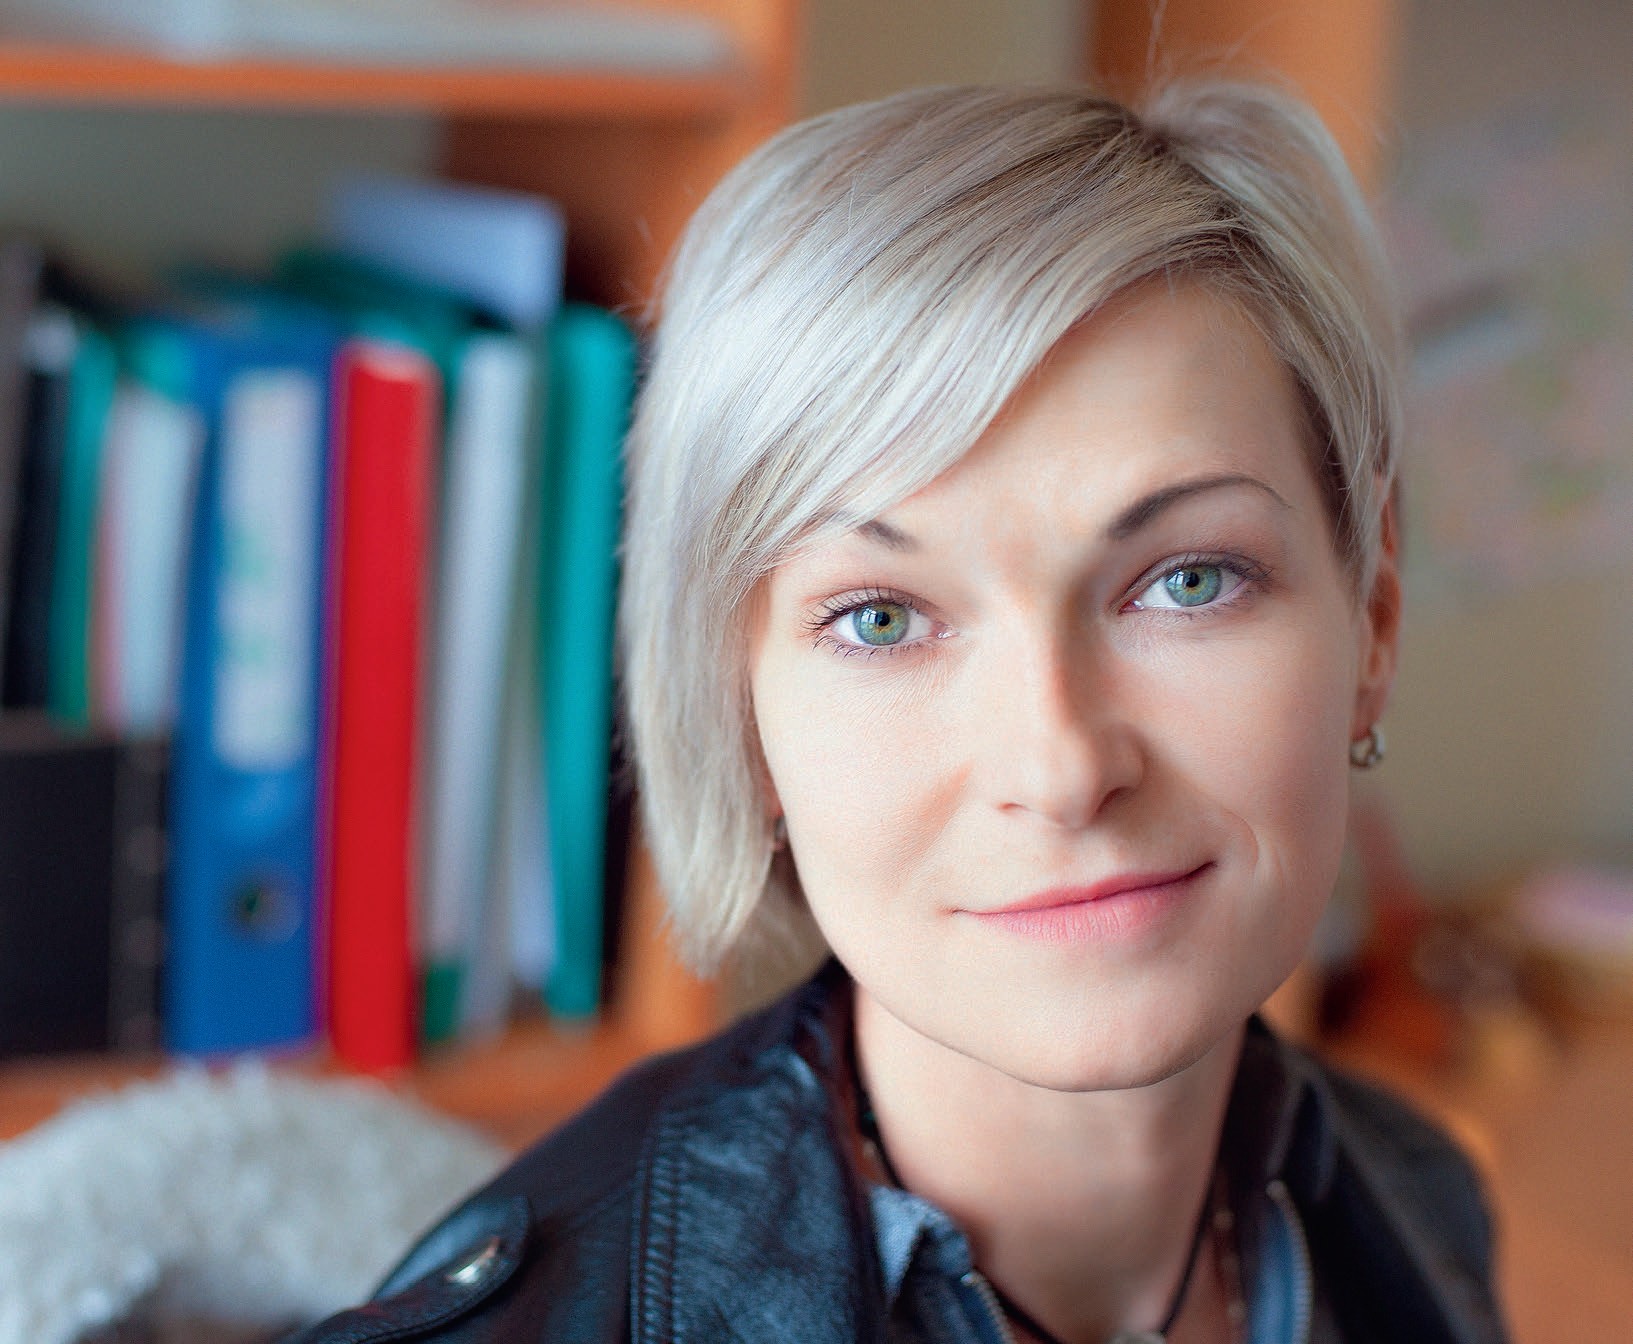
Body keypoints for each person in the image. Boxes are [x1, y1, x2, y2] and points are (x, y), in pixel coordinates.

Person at [291, 81, 1509, 1344]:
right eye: (881, 618)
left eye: (1186, 581)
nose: (1060, 766)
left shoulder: (1419, 1205)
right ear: (739, 711)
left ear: (1371, 618)